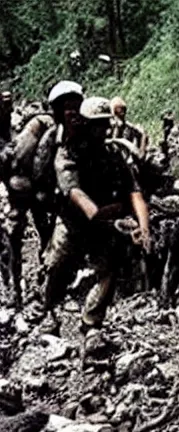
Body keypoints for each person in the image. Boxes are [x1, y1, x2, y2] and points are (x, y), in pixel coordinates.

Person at [44, 96, 151, 331]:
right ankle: (48, 310)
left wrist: (144, 228)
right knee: (56, 267)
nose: (102, 130)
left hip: (102, 221)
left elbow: (134, 191)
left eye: (105, 123)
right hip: (73, 222)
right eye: (96, 124)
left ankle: (91, 323)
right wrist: (114, 219)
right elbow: (76, 194)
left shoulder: (113, 154)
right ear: (85, 124)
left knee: (108, 270)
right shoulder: (67, 154)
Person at [0, 81, 83, 308]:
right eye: (68, 106)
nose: (73, 111)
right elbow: (16, 160)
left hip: (43, 191)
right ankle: (13, 289)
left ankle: (47, 283)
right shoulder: (40, 126)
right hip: (24, 188)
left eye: (77, 106)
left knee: (48, 234)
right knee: (14, 235)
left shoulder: (69, 130)